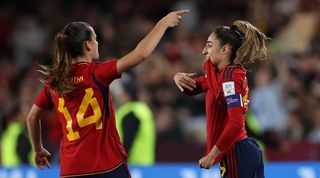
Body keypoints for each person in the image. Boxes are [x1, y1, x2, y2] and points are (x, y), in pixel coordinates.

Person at [26, 9, 189, 178]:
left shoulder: (54, 82)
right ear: (87, 45)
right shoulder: (97, 73)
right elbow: (141, 54)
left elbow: (32, 117)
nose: (97, 44)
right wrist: (163, 23)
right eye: (95, 39)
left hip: (71, 170)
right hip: (106, 166)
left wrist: (38, 150)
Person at [173, 20, 269, 178]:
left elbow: (236, 122)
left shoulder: (229, 79)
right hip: (241, 151)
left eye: (209, 45)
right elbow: (194, 87)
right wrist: (177, 77)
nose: (204, 51)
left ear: (225, 49)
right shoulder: (219, 76)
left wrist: (212, 154)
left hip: (237, 152)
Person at [115, 75, 155, 165]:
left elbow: (128, 139)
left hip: (133, 165)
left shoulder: (130, 113)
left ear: (128, 95)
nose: (119, 96)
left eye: (122, 93)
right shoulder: (143, 110)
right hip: (147, 163)